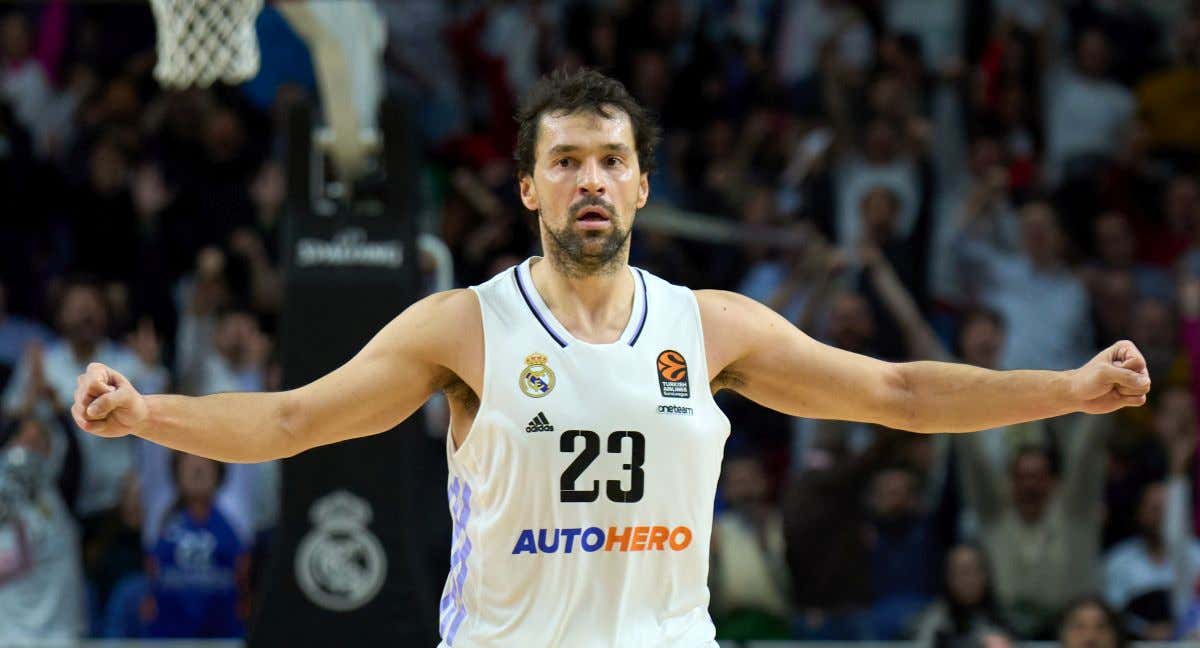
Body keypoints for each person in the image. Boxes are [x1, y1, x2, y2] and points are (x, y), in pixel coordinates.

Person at [70, 68, 1152, 647]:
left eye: (611, 159)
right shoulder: (463, 326)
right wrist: (147, 414)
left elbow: (901, 391)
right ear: (530, 187)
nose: (591, 178)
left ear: (640, 185)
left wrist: (1067, 390)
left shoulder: (711, 324)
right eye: (566, 160)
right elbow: (298, 421)